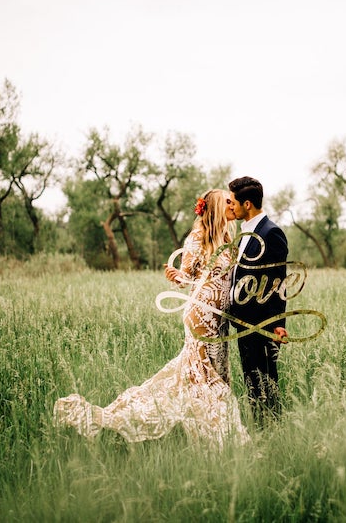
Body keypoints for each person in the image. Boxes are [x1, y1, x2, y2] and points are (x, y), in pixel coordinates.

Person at [53, 189, 249, 449]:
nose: (232, 205)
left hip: (219, 321)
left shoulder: (227, 237)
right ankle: (221, 438)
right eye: (227, 202)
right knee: (207, 379)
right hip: (200, 317)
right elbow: (187, 278)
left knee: (215, 375)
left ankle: (208, 433)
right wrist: (175, 276)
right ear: (213, 206)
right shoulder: (197, 237)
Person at [227, 176, 289, 424]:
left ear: (248, 204)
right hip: (243, 323)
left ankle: (274, 431)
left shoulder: (271, 232)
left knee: (266, 383)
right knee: (252, 383)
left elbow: (278, 281)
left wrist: (278, 323)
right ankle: (261, 430)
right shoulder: (245, 233)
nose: (231, 206)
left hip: (262, 324)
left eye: (233, 202)